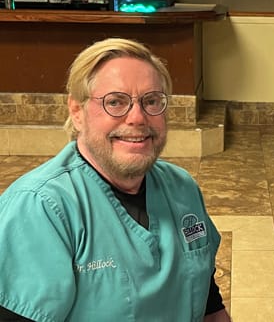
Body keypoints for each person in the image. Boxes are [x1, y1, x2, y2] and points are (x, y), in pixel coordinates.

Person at [0, 38, 231, 322]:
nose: (137, 117)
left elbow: (207, 300)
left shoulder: (181, 188)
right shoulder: (40, 209)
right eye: (115, 102)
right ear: (77, 112)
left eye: (152, 101)